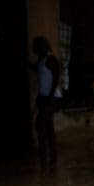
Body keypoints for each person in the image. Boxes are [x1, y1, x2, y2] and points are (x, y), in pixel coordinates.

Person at [30, 36, 61, 166]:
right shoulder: (41, 60)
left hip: (52, 98)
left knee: (39, 124)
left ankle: (44, 155)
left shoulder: (51, 59)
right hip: (45, 98)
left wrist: (50, 96)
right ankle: (51, 156)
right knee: (47, 126)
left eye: (36, 47)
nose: (34, 50)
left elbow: (56, 78)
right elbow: (38, 70)